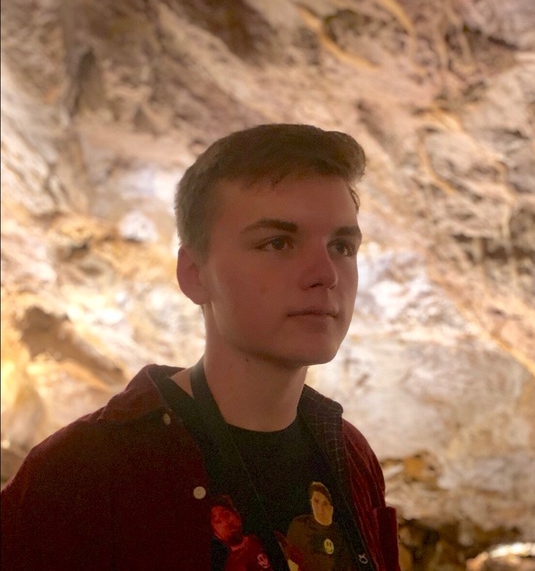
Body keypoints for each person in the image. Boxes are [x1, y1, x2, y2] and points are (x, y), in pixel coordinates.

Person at [1, 124, 400, 570]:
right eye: (278, 242)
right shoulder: (82, 473)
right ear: (194, 274)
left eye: (342, 246)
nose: (325, 273)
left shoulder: (350, 454)